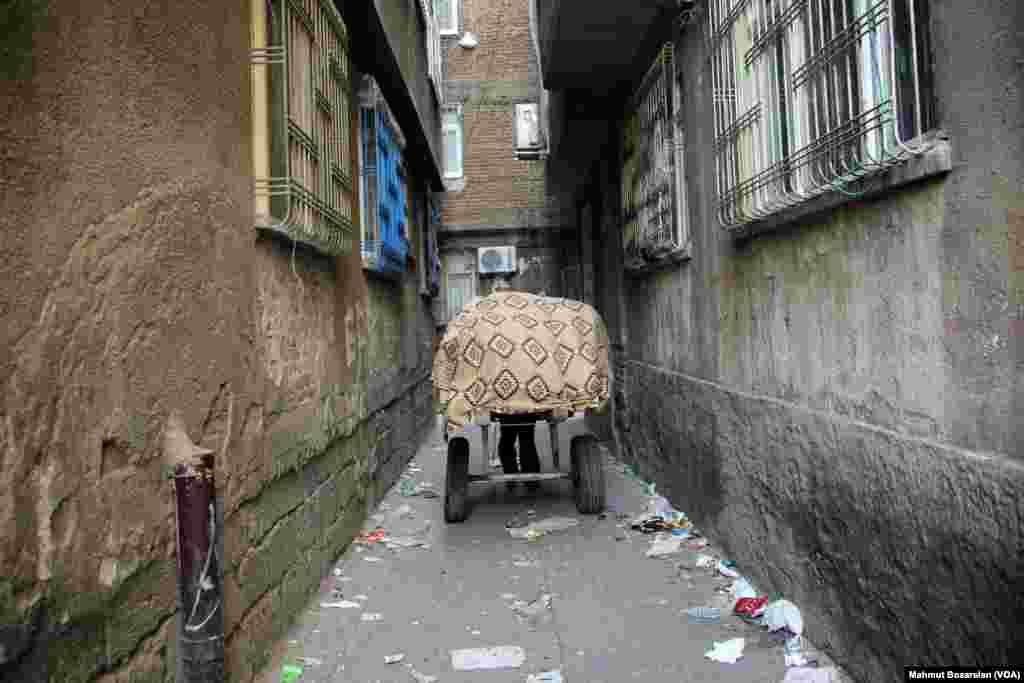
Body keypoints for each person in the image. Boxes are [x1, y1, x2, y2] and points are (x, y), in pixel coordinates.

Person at [492, 411, 550, 491]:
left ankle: (511, 475)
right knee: (526, 441)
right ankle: (531, 479)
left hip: (507, 413)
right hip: (527, 412)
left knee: (507, 441)